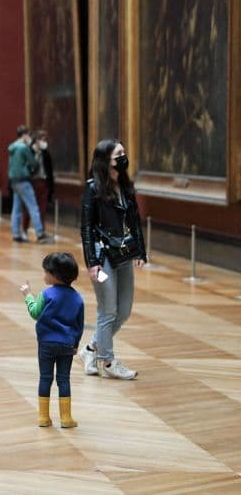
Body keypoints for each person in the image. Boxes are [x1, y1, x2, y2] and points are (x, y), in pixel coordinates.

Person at [78, 138, 147, 381]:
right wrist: (91, 261)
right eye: (119, 154)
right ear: (106, 160)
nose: (123, 157)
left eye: (124, 153)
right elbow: (86, 228)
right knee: (108, 310)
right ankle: (106, 361)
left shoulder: (126, 186)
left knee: (124, 310)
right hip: (102, 257)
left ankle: (89, 350)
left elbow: (135, 222)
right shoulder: (93, 188)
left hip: (124, 254)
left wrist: (141, 251)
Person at [19, 252, 83, 429]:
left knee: (45, 378)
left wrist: (28, 296)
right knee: (64, 379)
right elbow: (79, 324)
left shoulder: (47, 294)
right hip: (67, 345)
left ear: (54, 275)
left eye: (45, 271)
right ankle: (66, 418)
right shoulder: (77, 298)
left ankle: (43, 417)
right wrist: (75, 343)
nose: (43, 274)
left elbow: (35, 313)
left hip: (46, 344)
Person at [8, 125, 53, 244]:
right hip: (23, 180)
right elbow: (33, 163)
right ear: (24, 135)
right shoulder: (24, 148)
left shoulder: (12, 147)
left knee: (16, 208)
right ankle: (40, 234)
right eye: (28, 135)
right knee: (33, 207)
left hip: (13, 180)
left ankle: (16, 234)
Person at [31, 129, 54, 208]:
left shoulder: (46, 153)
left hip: (44, 182)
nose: (44, 142)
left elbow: (49, 170)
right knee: (30, 208)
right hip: (32, 182)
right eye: (43, 140)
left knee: (42, 207)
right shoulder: (30, 151)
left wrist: (51, 187)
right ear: (37, 140)